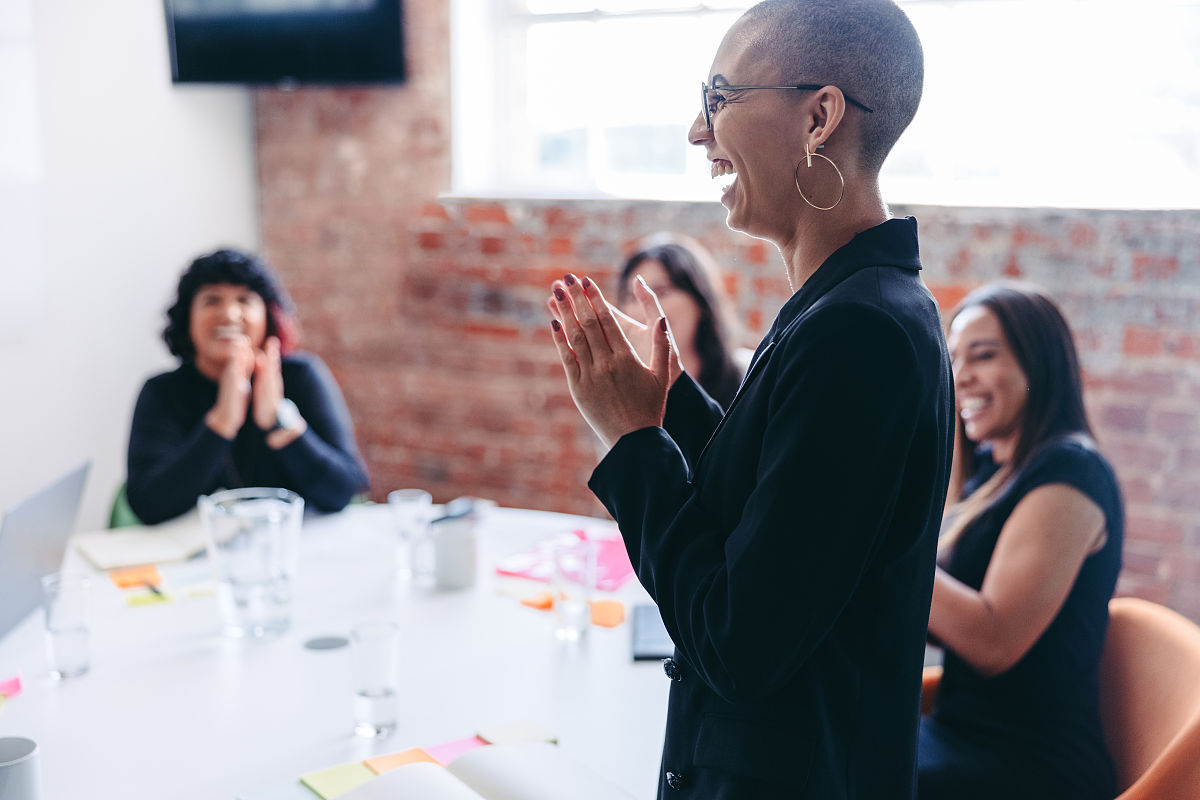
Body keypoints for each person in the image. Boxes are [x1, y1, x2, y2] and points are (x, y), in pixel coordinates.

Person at [546, 1, 952, 797]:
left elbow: (740, 642)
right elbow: (782, 507)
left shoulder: (859, 332)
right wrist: (668, 401)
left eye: (719, 99)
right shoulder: (850, 306)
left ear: (819, 117)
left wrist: (635, 444)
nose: (698, 133)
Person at [919, 282, 1123, 799]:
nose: (960, 376)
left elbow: (992, 640)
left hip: (1027, 764)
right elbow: (945, 620)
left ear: (1039, 363)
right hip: (960, 736)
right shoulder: (994, 473)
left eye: (982, 356)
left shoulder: (1071, 472)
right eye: (955, 359)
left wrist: (884, 550)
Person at [126, 248, 369, 524]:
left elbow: (344, 490)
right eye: (211, 300)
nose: (229, 314)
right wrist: (221, 423)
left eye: (244, 300)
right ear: (187, 319)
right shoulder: (162, 392)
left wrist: (280, 421)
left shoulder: (301, 376)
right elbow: (146, 505)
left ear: (268, 316)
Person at [616, 234, 747, 409]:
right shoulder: (623, 394)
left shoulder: (751, 376)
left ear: (700, 299)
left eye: (661, 292)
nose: (644, 307)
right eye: (632, 297)